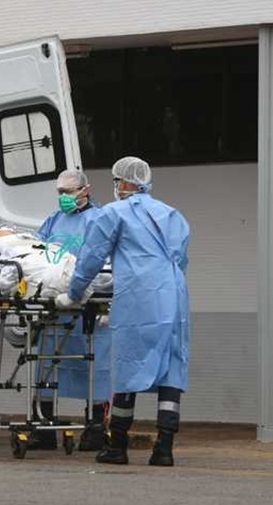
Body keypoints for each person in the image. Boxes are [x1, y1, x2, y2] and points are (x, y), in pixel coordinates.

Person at [57, 156, 190, 466]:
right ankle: (164, 448)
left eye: (116, 181)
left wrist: (74, 293)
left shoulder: (114, 213)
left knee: (128, 365)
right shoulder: (172, 215)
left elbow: (91, 257)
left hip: (138, 297)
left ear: (125, 182)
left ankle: (117, 445)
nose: (115, 187)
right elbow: (181, 259)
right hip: (173, 295)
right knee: (171, 365)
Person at [31, 169, 112, 451]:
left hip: (88, 306)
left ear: (85, 190)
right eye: (60, 192)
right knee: (46, 364)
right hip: (55, 305)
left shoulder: (99, 220)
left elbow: (105, 264)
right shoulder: (54, 220)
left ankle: (96, 428)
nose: (63, 197)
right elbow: (36, 252)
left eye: (68, 192)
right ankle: (43, 427)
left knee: (96, 367)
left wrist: (96, 295)